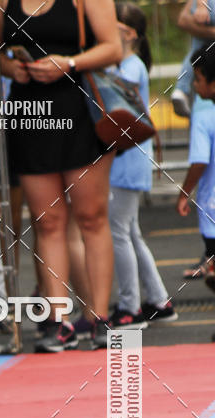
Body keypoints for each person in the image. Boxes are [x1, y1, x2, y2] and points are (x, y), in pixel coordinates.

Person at [0, 0, 122, 352]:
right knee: (47, 221)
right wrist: (10, 69)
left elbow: (114, 47)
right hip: (30, 112)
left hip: (80, 106)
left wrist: (69, 63)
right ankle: (58, 321)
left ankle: (99, 317)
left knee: (91, 217)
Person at [108, 3, 176, 328]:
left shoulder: (130, 65)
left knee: (118, 231)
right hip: (132, 157)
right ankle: (158, 300)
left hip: (127, 157)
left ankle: (129, 306)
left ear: (129, 34)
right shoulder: (131, 63)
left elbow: (116, 91)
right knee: (130, 231)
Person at [178, 44, 215, 294]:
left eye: (198, 78)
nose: (194, 85)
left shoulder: (204, 118)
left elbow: (199, 161)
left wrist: (184, 192)